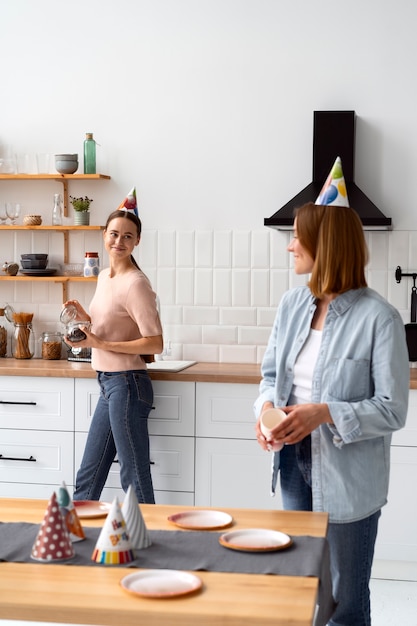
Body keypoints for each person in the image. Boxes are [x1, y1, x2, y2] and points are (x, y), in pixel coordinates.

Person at [254, 202, 409, 626]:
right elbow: (270, 377)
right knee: (303, 588)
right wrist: (267, 412)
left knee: (345, 601)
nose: (290, 246)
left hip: (348, 477)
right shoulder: (292, 305)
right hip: (291, 463)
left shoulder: (380, 319)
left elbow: (393, 409)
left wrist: (323, 413)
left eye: (298, 237)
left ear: (327, 246)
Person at [66, 209, 163, 504]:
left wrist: (100, 342)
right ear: (104, 235)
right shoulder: (105, 277)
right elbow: (112, 326)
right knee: (89, 473)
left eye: (127, 236)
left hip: (128, 385)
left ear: (137, 242)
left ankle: (153, 537)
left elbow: (155, 343)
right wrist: (87, 318)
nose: (119, 241)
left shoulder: (136, 283)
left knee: (132, 475)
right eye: (114, 233)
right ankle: (74, 537)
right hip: (108, 384)